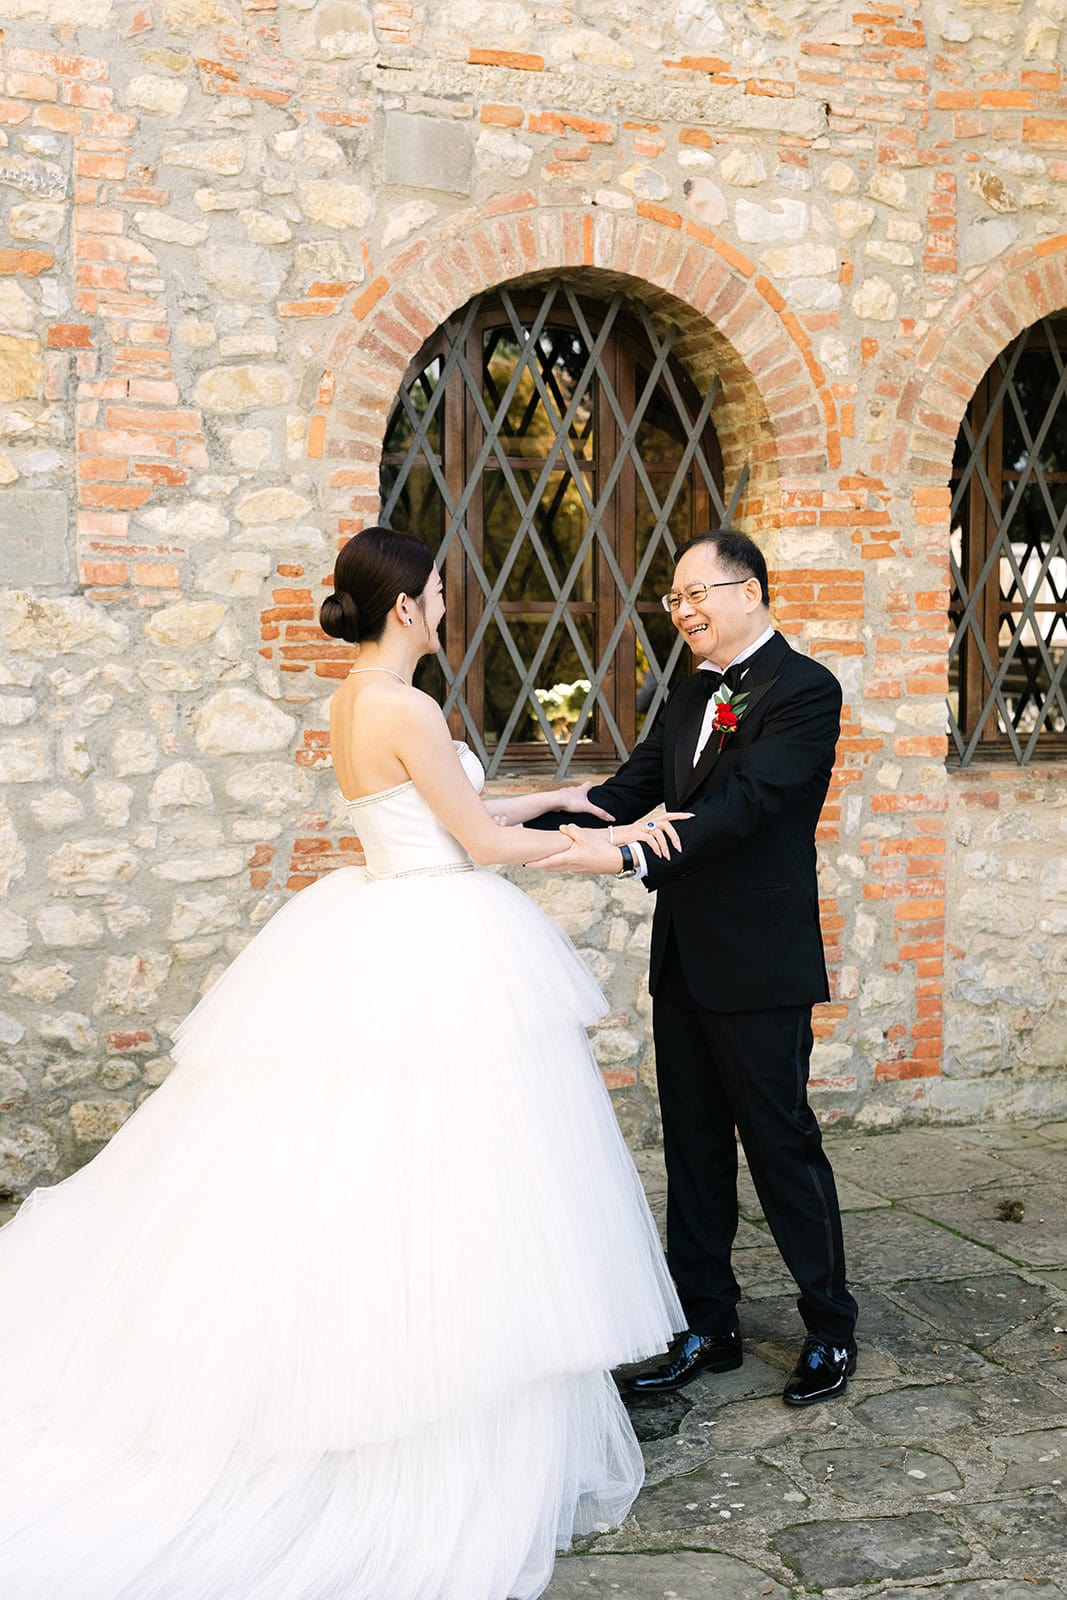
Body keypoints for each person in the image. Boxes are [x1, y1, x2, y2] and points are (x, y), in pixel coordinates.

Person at [0, 526, 685, 1600]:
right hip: (436, 943)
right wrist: (615, 849)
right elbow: (479, 846)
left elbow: (446, 815)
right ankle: (441, 1382)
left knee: (375, 1167)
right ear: (407, 604)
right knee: (457, 1170)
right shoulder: (405, 705)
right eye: (443, 589)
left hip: (382, 917)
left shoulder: (357, 698)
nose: (452, 601)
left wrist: (559, 796)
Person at [529, 528, 859, 1407]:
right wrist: (520, 823)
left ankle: (829, 1324)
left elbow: (746, 808)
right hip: (683, 958)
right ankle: (706, 1324)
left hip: (759, 958)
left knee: (781, 1144)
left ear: (748, 591)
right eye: (672, 599)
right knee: (694, 1149)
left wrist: (632, 858)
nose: (680, 612)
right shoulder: (687, 693)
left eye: (693, 594)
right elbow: (625, 791)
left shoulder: (804, 691)